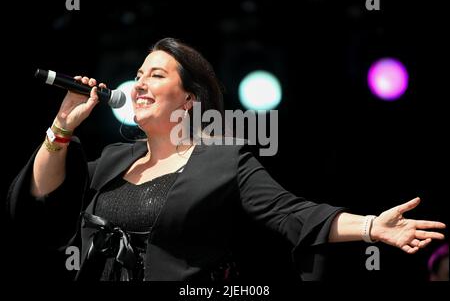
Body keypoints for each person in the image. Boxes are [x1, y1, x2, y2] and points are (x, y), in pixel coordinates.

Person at [7, 38, 446, 281]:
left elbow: (292, 213)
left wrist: (370, 226)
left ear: (188, 100)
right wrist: (62, 125)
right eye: (138, 75)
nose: (139, 83)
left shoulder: (221, 161)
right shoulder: (109, 162)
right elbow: (43, 200)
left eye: (156, 75)